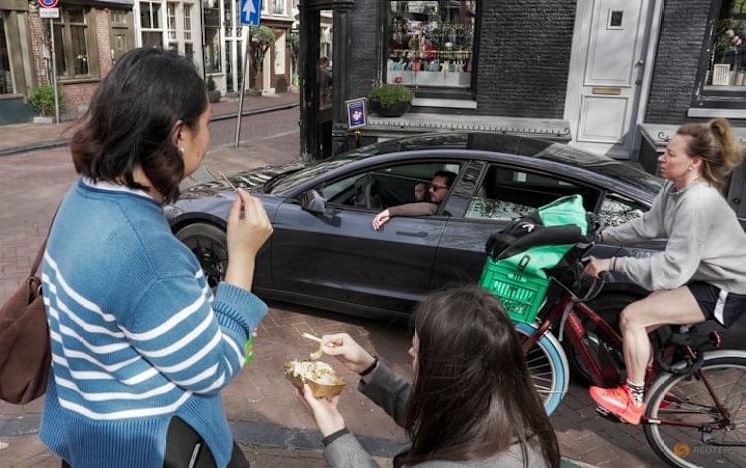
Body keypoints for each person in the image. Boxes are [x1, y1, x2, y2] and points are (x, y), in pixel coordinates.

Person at [39, 48, 273, 468]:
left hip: (87, 437)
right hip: (142, 450)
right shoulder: (147, 253)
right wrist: (243, 258)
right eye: (207, 124)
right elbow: (211, 369)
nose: (209, 138)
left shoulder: (84, 196)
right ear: (179, 135)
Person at [585, 117, 746, 425]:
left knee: (633, 316)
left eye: (671, 153)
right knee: (642, 318)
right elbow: (649, 226)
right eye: (664, 150)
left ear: (694, 162)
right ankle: (647, 385)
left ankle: (632, 401)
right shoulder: (674, 189)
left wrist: (613, 263)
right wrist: (603, 235)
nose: (662, 157)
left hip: (728, 286)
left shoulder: (698, 202)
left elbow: (672, 269)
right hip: (706, 276)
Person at [295, 284, 560, 467]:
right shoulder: (512, 412)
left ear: (448, 369)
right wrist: (367, 367)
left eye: (418, 350)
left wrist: (334, 431)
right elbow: (432, 418)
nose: (410, 352)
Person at [372, 170, 457, 230]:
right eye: (431, 186)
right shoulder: (446, 204)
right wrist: (419, 199)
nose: (430, 190)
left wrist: (388, 212)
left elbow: (429, 208)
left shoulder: (451, 209)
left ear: (449, 190)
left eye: (436, 188)